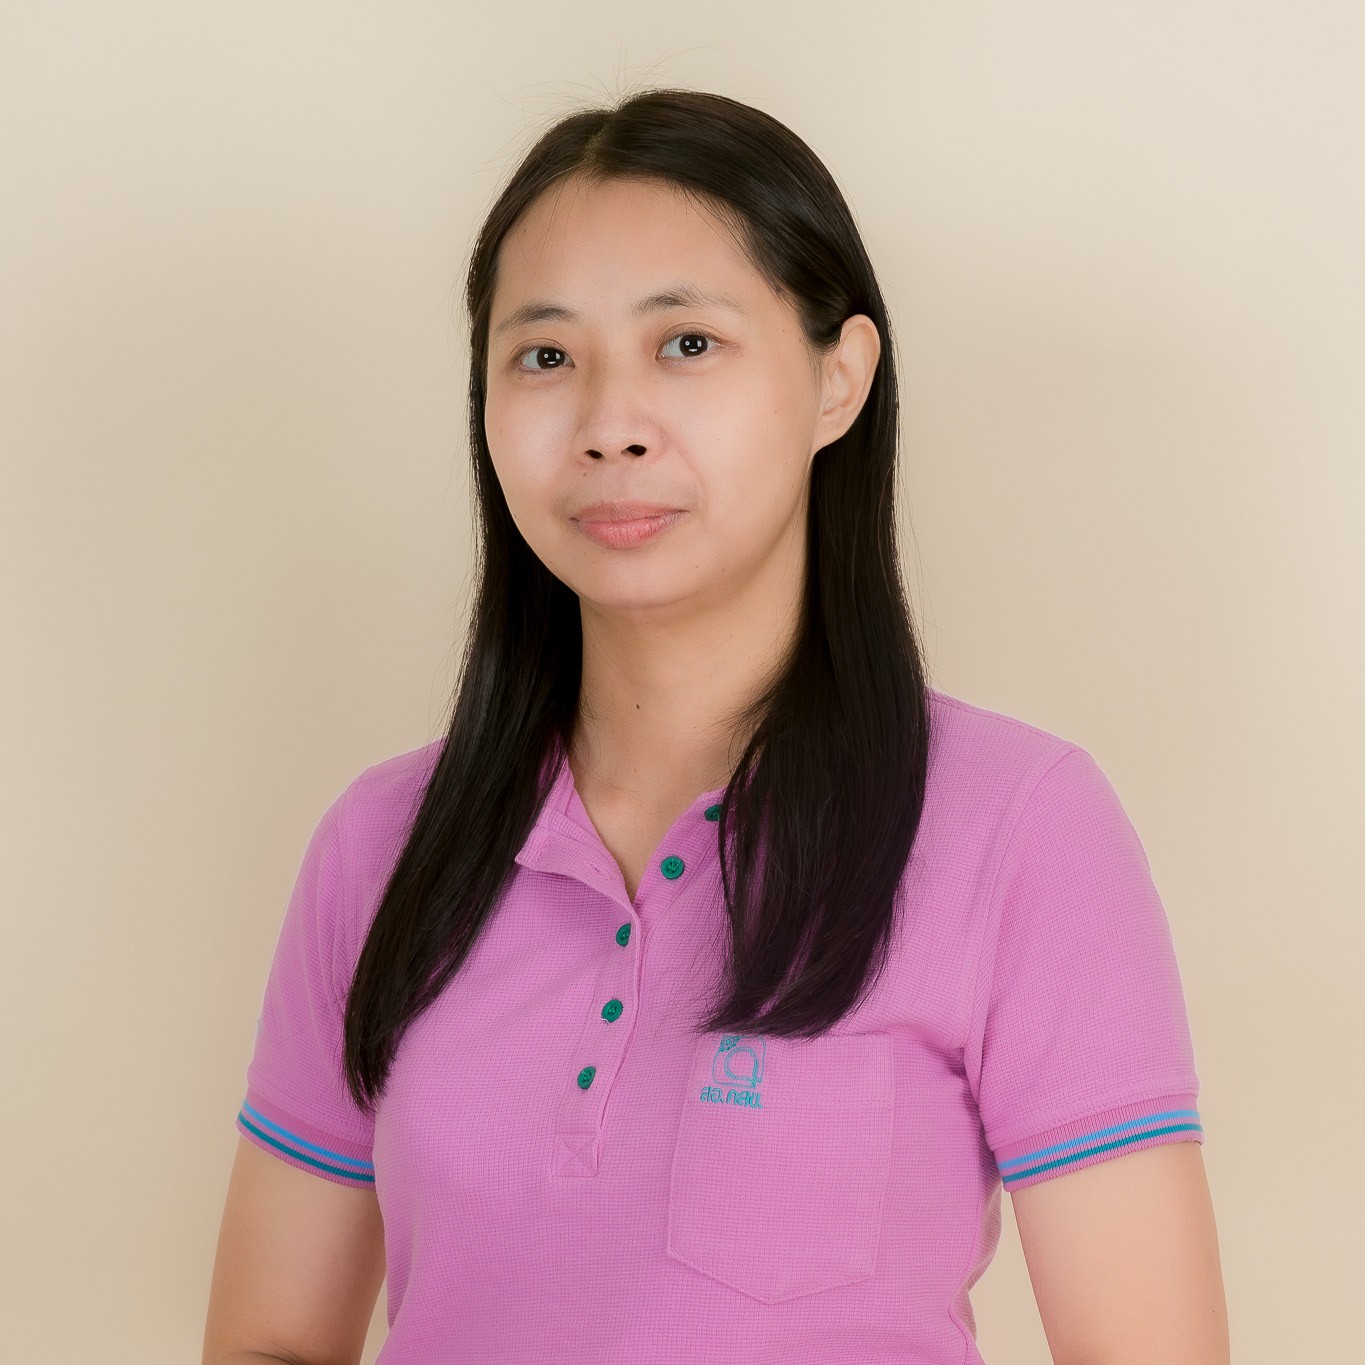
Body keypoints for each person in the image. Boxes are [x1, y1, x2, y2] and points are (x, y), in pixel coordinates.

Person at [204, 87, 1228, 1365]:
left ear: (838, 379)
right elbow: (271, 1343)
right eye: (544, 357)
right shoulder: (382, 847)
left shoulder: (1017, 829)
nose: (609, 427)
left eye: (686, 343)